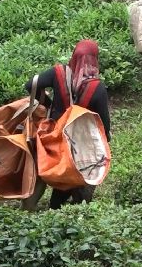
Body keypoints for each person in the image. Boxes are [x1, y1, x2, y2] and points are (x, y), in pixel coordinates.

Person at [21, 39, 111, 210]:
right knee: (78, 178)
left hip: (54, 137)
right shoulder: (96, 88)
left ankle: (42, 207)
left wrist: (48, 104)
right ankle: (69, 208)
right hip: (78, 143)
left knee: (51, 172)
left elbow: (30, 85)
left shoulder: (58, 73)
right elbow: (103, 124)